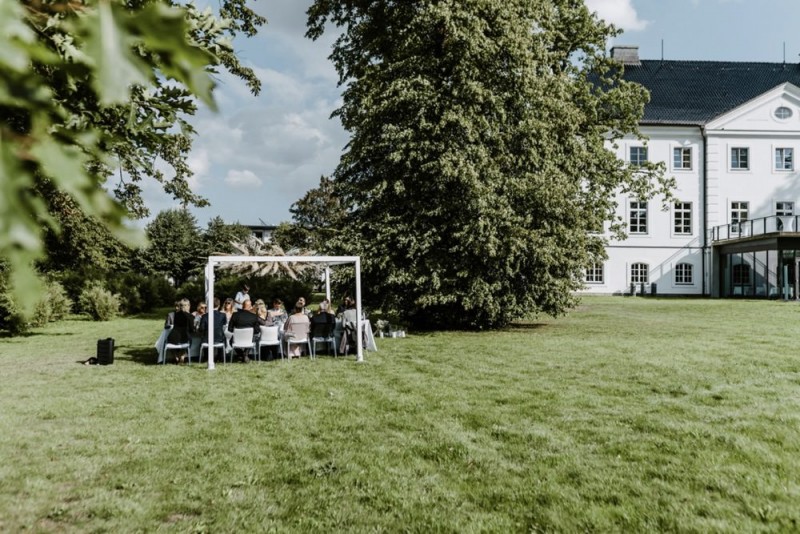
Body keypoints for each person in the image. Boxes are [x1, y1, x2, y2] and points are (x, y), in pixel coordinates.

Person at [227, 298, 266, 362]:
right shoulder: (254, 316)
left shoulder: (235, 315)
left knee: (231, 341)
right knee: (254, 338)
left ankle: (241, 354)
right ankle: (245, 354)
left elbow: (230, 329)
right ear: (250, 307)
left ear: (242, 306)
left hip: (237, 340)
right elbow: (257, 331)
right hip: (249, 340)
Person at [199, 297, 228, 362]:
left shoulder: (204, 316)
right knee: (224, 338)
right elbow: (224, 326)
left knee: (202, 338)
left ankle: (206, 357)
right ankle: (221, 357)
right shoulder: (223, 315)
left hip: (207, 340)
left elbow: (201, 329)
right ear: (219, 305)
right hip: (219, 339)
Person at [166, 298, 194, 363]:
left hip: (173, 338)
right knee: (190, 339)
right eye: (189, 305)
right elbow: (192, 329)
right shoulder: (190, 316)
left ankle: (175, 356)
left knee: (168, 340)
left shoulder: (175, 315)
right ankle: (183, 355)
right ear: (187, 306)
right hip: (184, 339)